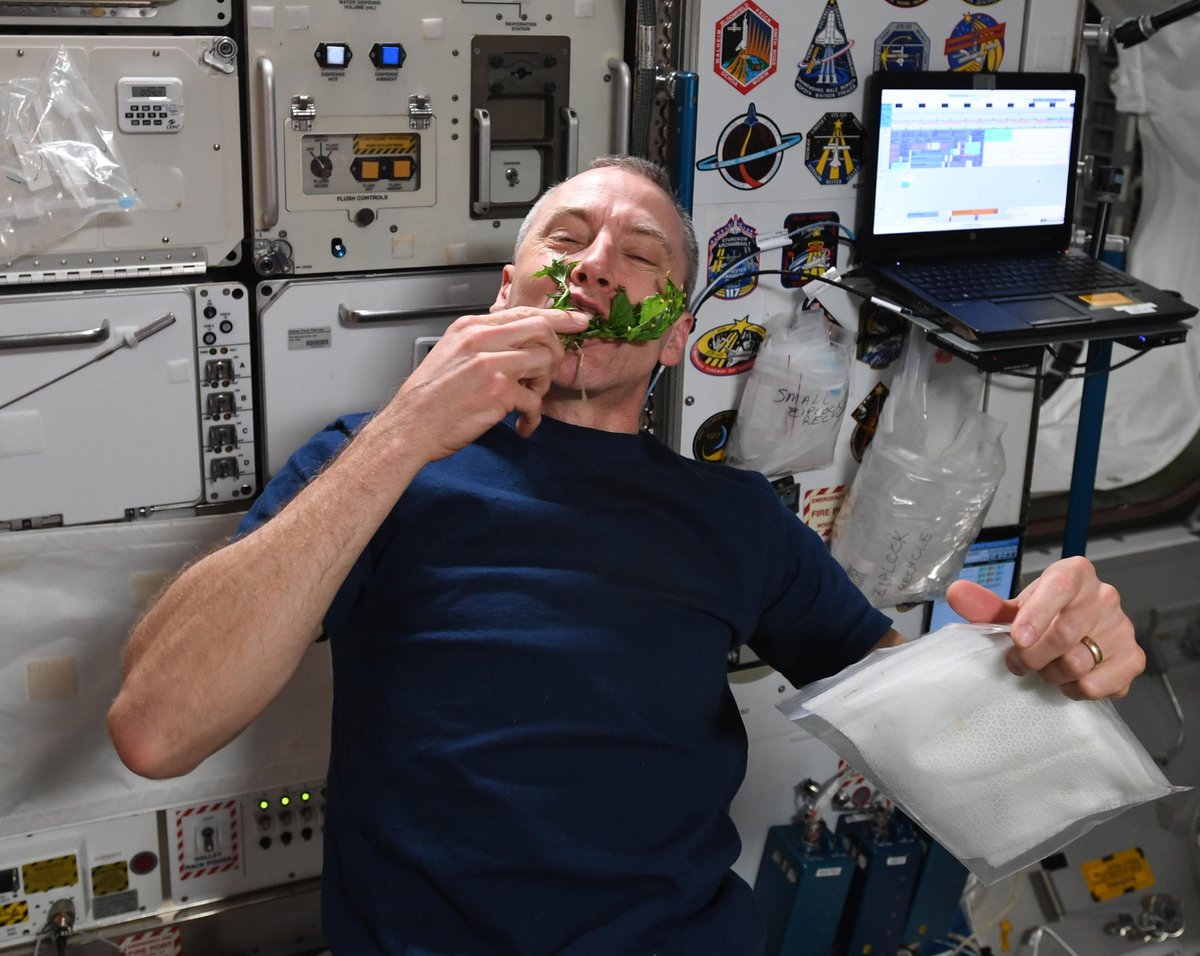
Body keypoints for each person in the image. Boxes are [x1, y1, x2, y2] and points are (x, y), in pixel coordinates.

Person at [107, 155, 1145, 955]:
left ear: (672, 337)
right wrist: (401, 433)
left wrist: (1045, 666)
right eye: (569, 238)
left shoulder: (733, 515)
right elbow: (159, 727)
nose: (599, 263)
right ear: (511, 289)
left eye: (640, 255)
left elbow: (945, 741)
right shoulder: (373, 466)